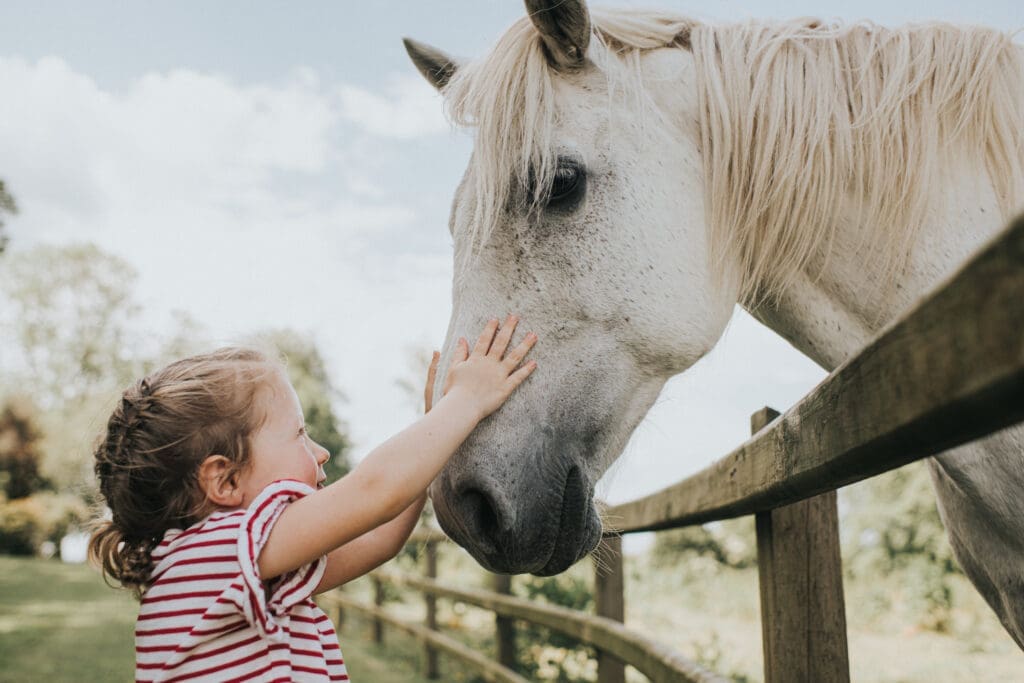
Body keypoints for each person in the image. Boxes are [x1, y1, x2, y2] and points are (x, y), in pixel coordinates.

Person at [88, 316, 537, 682]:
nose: (320, 452)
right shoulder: (223, 549)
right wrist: (466, 401)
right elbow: (375, 492)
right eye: (300, 434)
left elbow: (378, 536)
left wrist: (438, 434)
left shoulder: (246, 568)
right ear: (224, 481)